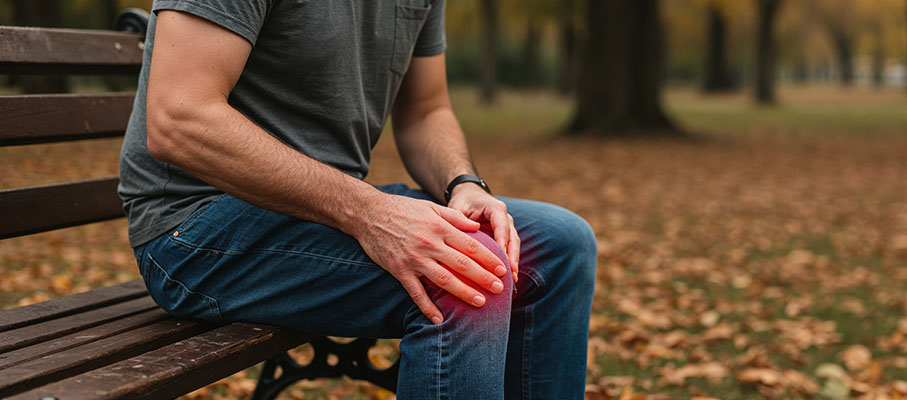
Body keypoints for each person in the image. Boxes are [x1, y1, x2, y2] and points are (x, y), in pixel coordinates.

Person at [118, 1, 597, 398]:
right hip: (195, 226)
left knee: (560, 244)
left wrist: (463, 183)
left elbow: (427, 109)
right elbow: (179, 118)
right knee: (462, 275)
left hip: (328, 207)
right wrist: (367, 212)